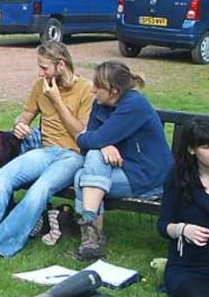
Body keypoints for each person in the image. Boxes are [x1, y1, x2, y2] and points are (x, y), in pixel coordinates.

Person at [0, 41, 93, 260]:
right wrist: (19, 124)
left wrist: (57, 100)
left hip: (72, 154)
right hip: (45, 150)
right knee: (0, 177)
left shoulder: (86, 89)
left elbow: (82, 134)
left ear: (60, 65)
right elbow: (25, 115)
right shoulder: (40, 85)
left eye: (44, 67)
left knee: (38, 191)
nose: (40, 72)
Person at [72, 61, 173, 260]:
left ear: (114, 91)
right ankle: (92, 238)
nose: (92, 90)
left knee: (82, 178)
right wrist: (102, 144)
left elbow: (89, 138)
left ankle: (92, 235)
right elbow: (88, 142)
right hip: (122, 169)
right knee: (88, 166)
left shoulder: (135, 105)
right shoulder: (101, 104)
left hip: (149, 175)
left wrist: (97, 142)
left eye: (98, 87)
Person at [157, 118, 209, 297]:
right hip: (189, 266)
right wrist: (183, 229)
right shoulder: (177, 178)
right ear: (191, 149)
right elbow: (163, 225)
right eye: (206, 147)